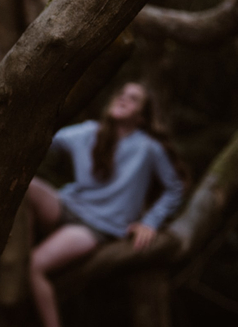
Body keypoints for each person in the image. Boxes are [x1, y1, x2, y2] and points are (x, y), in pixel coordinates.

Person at [24, 82, 185, 327]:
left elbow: (176, 187)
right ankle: (11, 257)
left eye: (132, 99)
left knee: (35, 265)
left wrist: (150, 222)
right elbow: (41, 139)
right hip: (66, 205)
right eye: (121, 94)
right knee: (23, 184)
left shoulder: (148, 148)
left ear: (141, 117)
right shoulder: (89, 132)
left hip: (96, 226)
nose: (122, 99)